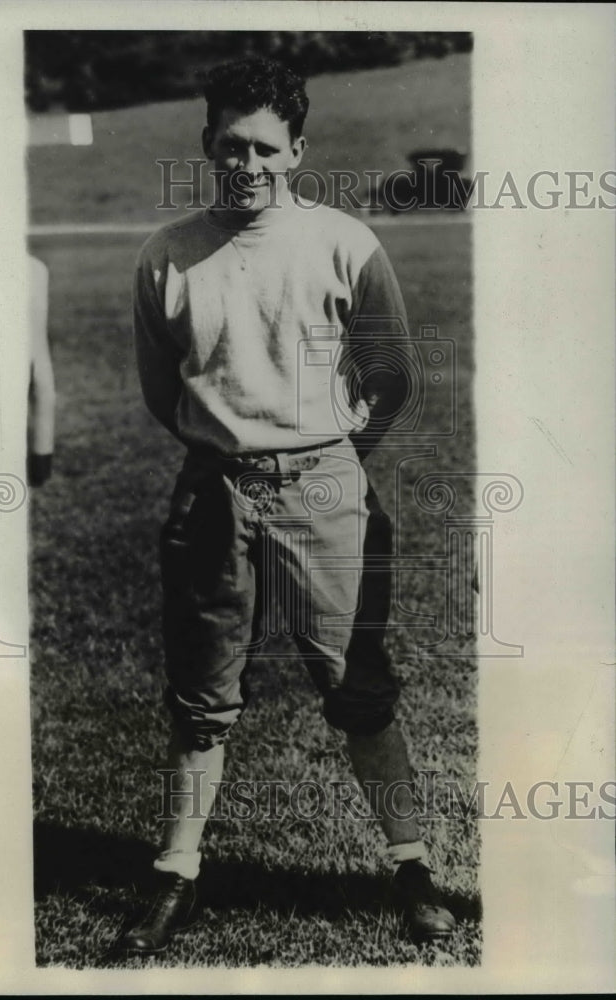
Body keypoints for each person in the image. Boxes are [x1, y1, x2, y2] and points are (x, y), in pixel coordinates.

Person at [125, 56, 456, 954]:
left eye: (266, 149)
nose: (248, 165)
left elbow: (392, 378)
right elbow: (162, 391)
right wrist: (231, 448)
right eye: (232, 146)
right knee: (200, 695)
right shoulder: (166, 255)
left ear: (297, 152)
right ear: (207, 143)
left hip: (323, 483)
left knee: (357, 685)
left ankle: (413, 870)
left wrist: (333, 460)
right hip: (213, 491)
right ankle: (176, 874)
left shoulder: (344, 243)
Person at [27, 253, 55, 488]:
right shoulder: (35, 268)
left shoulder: (35, 269)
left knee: (41, 380)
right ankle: (40, 463)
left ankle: (40, 464)